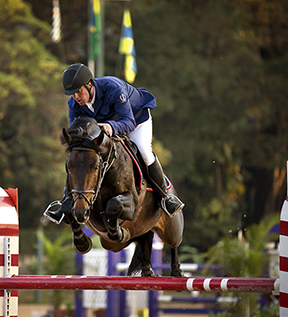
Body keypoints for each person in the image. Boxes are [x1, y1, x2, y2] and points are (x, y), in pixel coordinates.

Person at [44, 63, 184, 224]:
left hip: (135, 120)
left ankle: (166, 198)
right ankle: (65, 202)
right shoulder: (74, 105)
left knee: (144, 150)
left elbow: (128, 121)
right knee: (79, 157)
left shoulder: (112, 87)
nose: (76, 97)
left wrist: (111, 126)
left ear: (89, 85)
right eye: (72, 93)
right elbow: (78, 138)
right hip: (106, 127)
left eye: (78, 91)